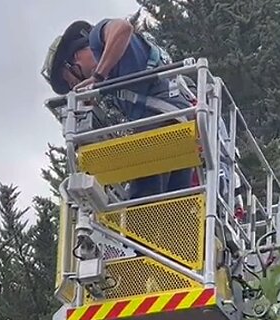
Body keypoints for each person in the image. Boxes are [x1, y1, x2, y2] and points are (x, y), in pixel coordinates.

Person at [42, 17, 199, 200]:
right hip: (180, 132)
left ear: (75, 57)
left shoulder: (97, 40)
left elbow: (123, 27)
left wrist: (97, 78)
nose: (76, 84)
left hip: (163, 125)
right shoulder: (114, 84)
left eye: (71, 79)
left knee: (143, 200)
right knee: (174, 206)